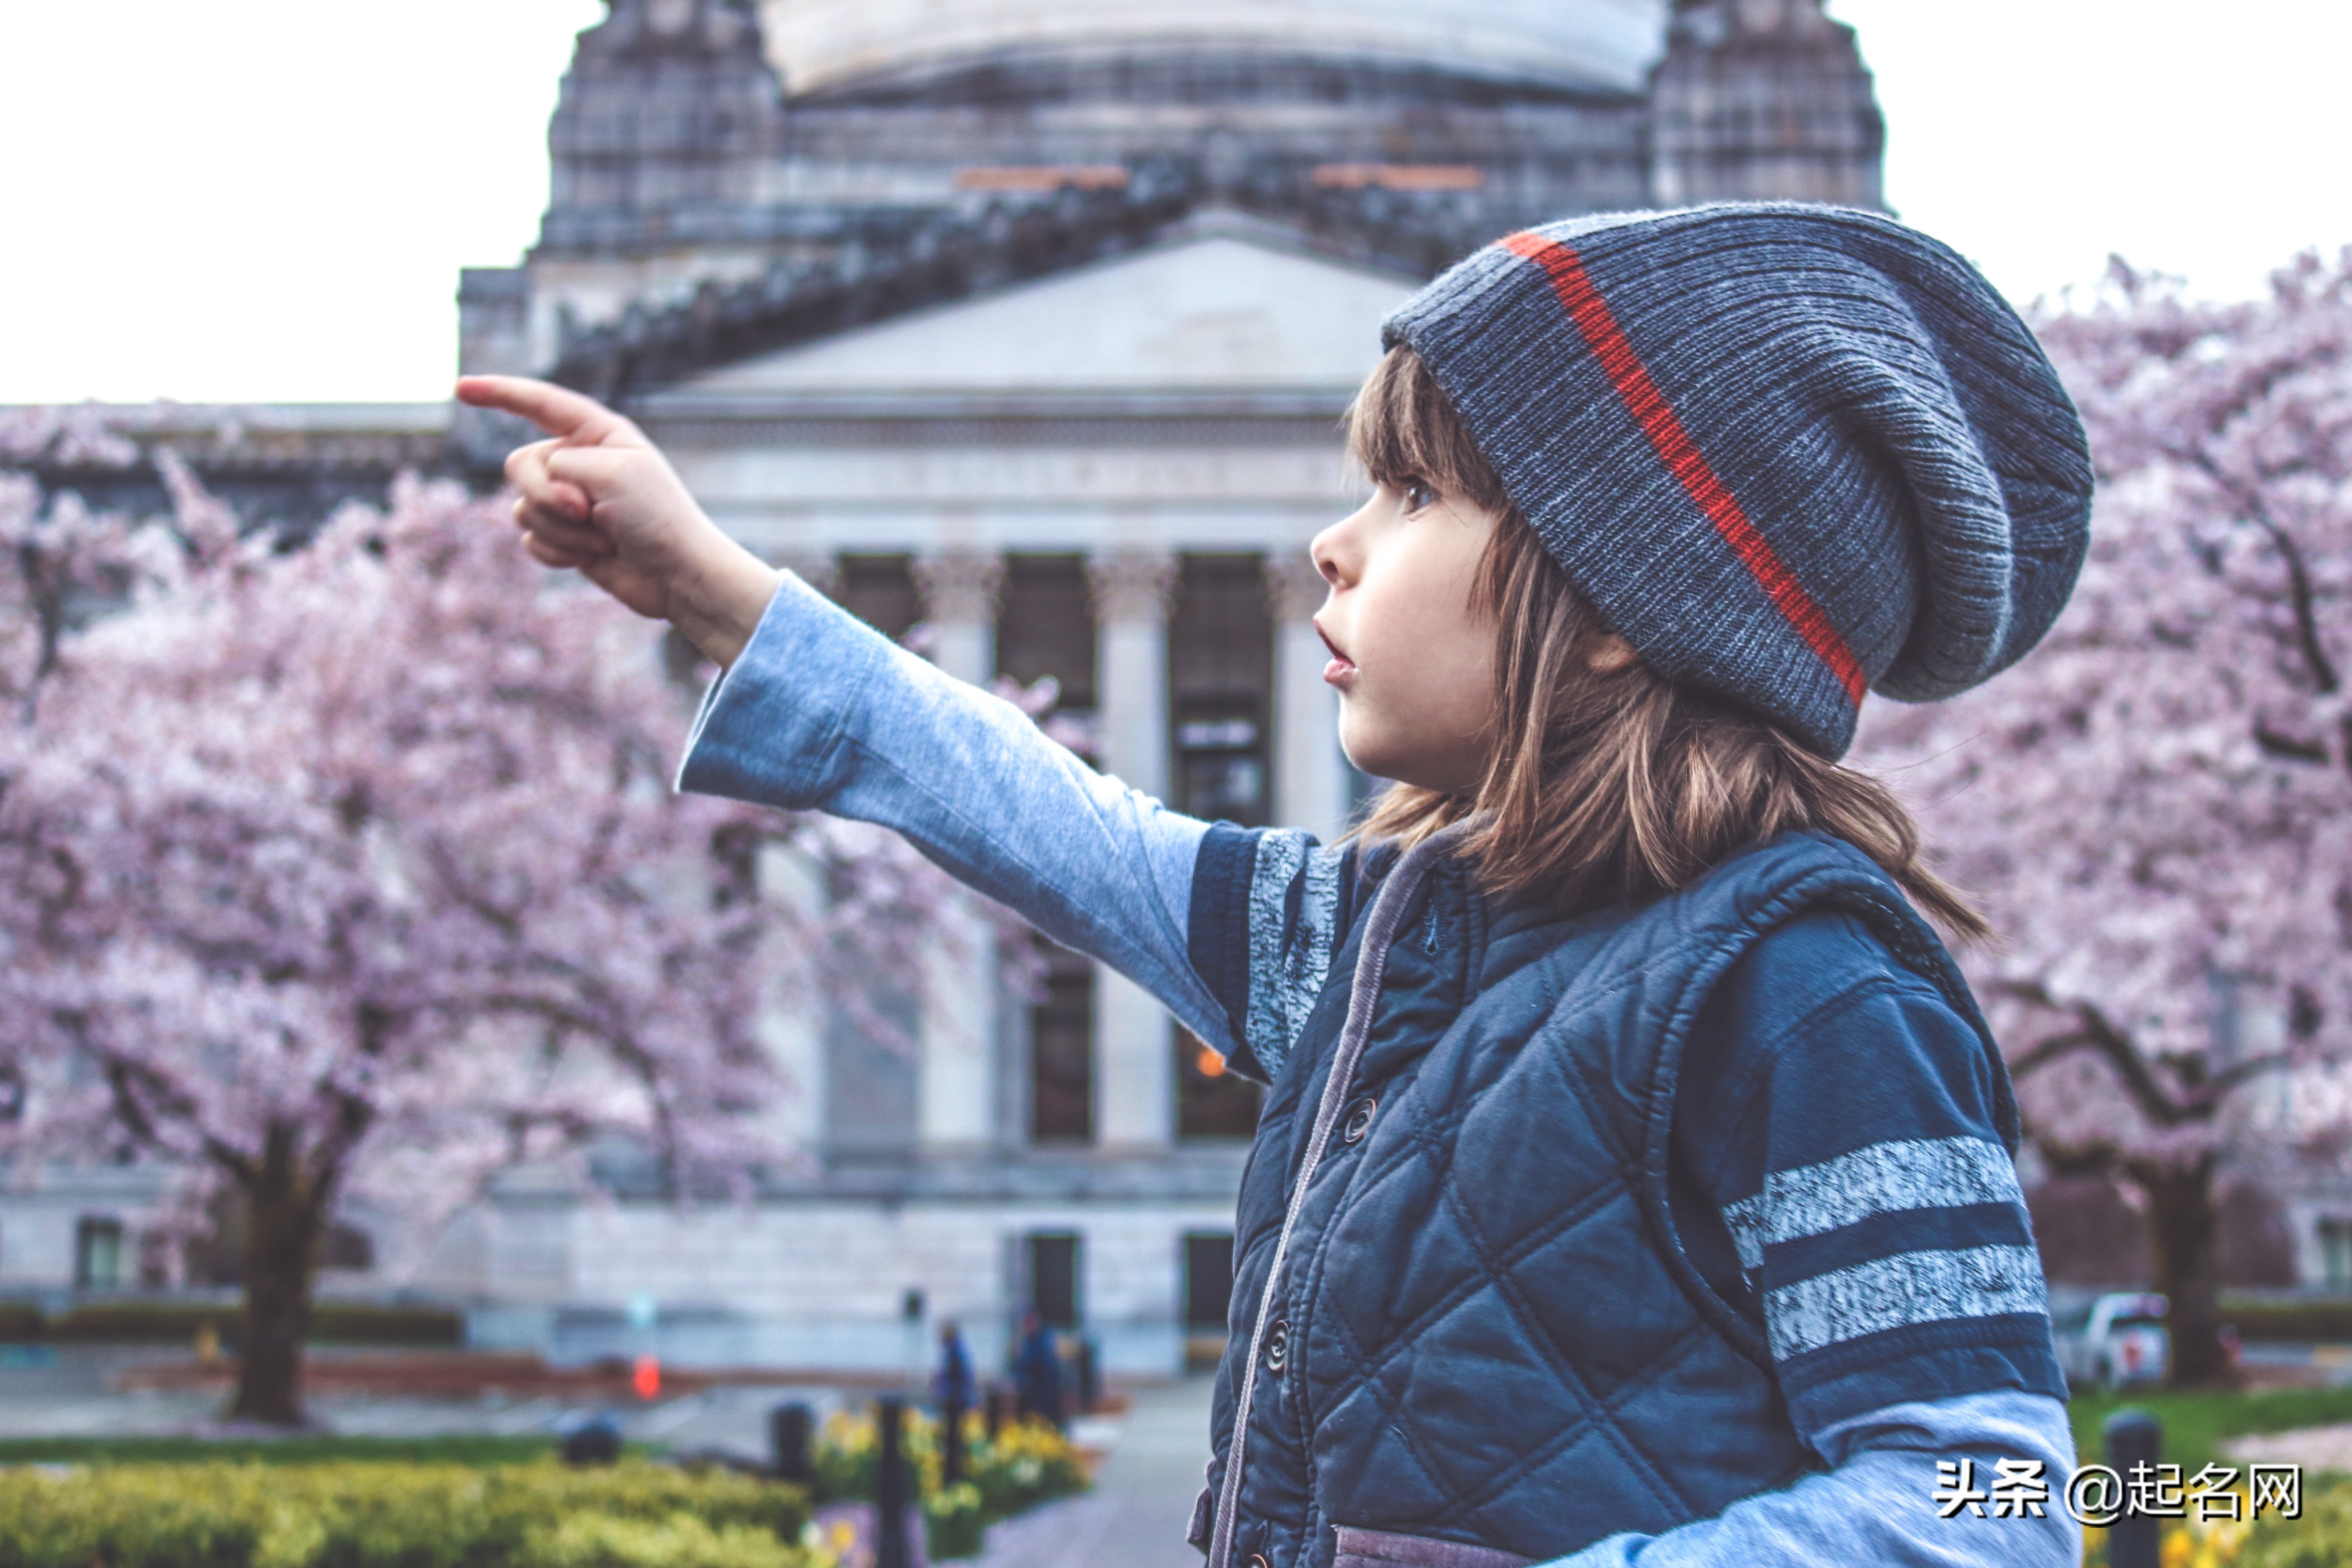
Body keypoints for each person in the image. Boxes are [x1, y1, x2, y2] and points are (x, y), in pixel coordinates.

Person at [459, 203, 2090, 1568]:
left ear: (1616, 603)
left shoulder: (1804, 985)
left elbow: (1986, 1492)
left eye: (1415, 492)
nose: (1332, 542)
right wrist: (724, 593)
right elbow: (1061, 822)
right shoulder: (1384, 937)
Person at [1011, 1308, 1064, 1431]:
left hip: (1042, 1394)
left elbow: (1045, 1371)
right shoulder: (1029, 1341)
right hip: (1031, 1393)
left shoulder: (1043, 1342)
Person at [934, 1318, 977, 1413]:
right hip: (961, 1395)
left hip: (957, 1398)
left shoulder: (955, 1352)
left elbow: (954, 1375)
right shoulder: (959, 1349)